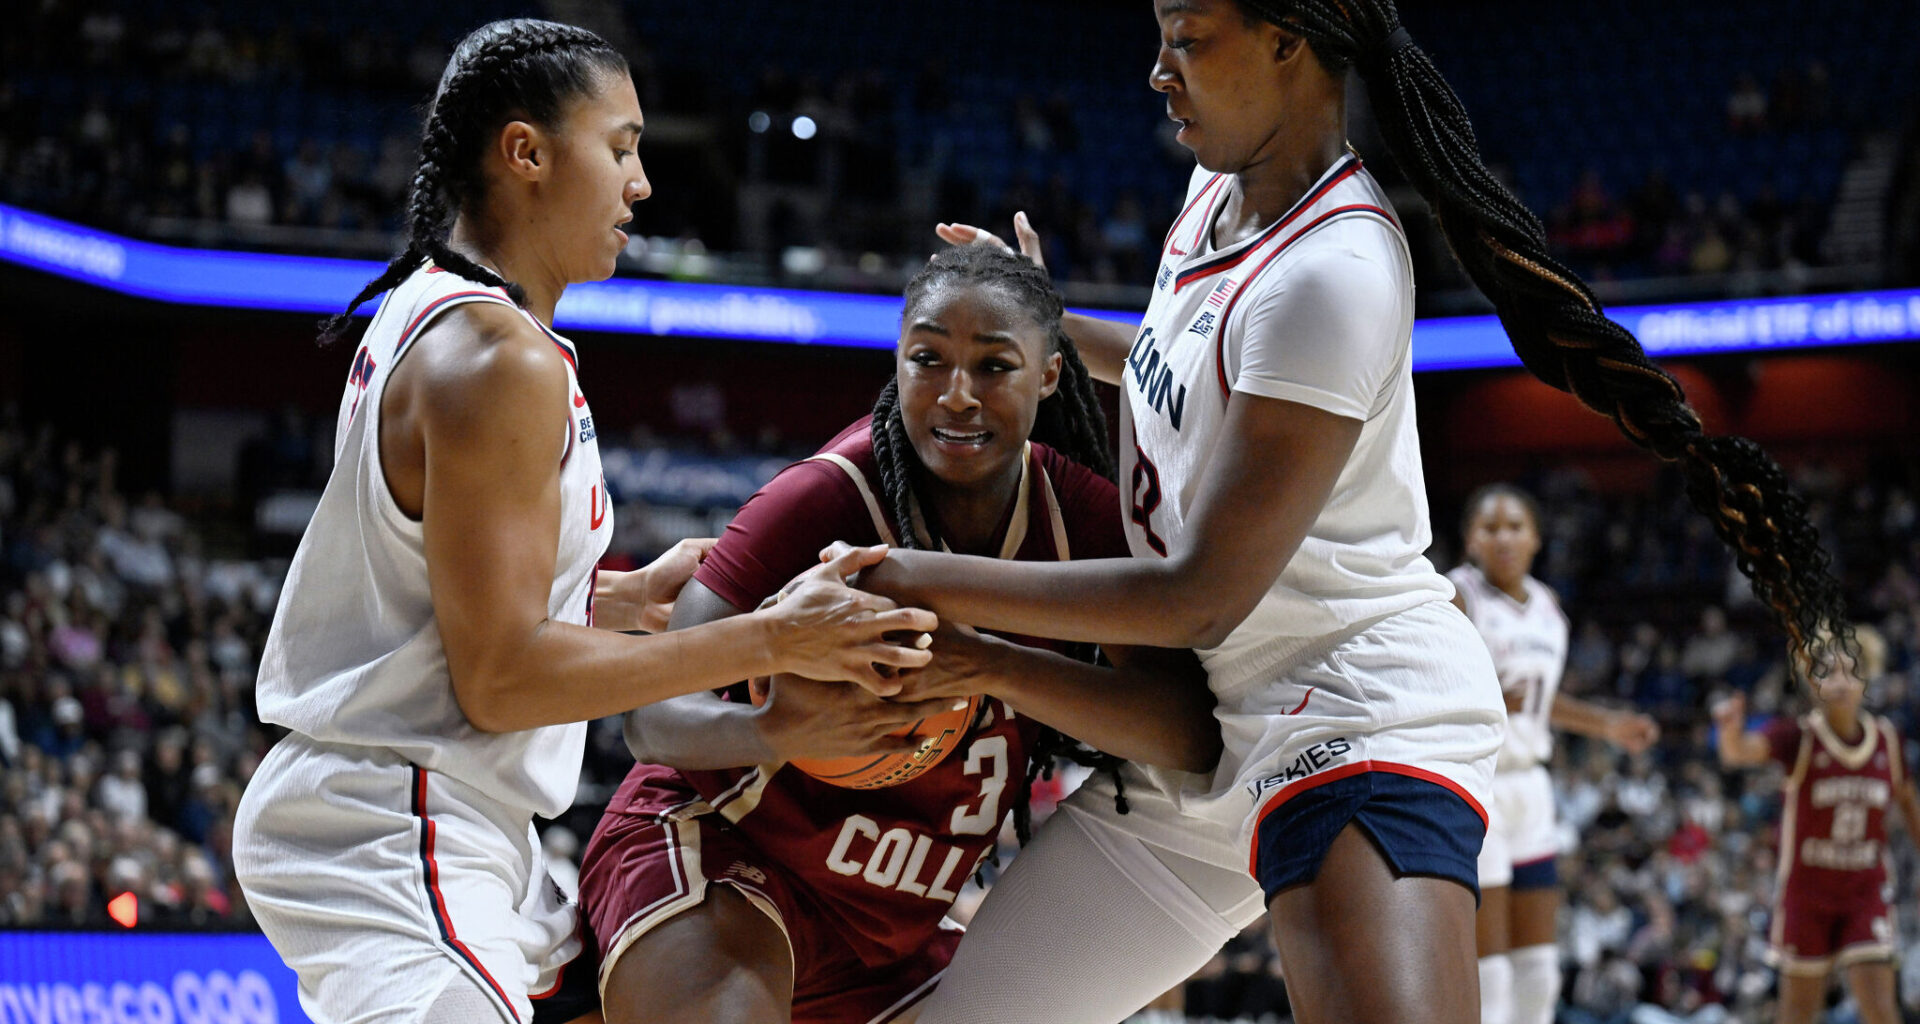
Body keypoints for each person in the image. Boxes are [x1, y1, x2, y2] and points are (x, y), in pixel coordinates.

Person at [863, 2, 1848, 1022]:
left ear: (1289, 38)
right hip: (1208, 731)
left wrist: (913, 582)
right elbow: (1176, 366)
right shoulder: (1214, 193)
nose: (1158, 71)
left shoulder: (1330, 274)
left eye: (1188, 37)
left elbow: (1197, 597)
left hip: (1347, 708)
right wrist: (1044, 324)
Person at [230, 20, 936, 1024]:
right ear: (526, 153)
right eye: (620, 146)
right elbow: (502, 675)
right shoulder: (496, 359)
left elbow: (441, 599)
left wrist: (619, 599)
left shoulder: (443, 310)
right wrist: (777, 636)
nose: (641, 183)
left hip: (446, 818)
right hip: (400, 820)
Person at [573, 244, 1220, 1024]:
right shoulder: (822, 499)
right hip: (727, 850)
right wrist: (775, 723)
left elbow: (1189, 734)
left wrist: (991, 666)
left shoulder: (1079, 516)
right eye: (928, 360)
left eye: (993, 367)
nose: (957, 396)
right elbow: (651, 717)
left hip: (885, 935)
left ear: (1049, 375)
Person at [1447, 484, 1659, 1024]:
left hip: (1531, 787)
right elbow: (1428, 685)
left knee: (1539, 970)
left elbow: (1540, 703)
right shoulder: (1456, 595)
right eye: (1490, 527)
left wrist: (1608, 725)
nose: (1503, 537)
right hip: (1478, 782)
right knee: (1490, 973)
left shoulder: (1547, 606)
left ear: (1536, 537)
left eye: (1515, 526)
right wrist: (1487, 698)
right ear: (1470, 539)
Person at [1713, 626, 1920, 1024]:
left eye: (1850, 670)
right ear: (1812, 682)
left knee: (1881, 1010)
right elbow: (1741, 752)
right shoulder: (1799, 737)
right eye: (1828, 671)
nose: (1839, 680)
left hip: (1865, 891)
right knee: (1797, 1016)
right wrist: (1729, 733)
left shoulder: (1888, 742)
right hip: (1808, 897)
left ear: (1867, 677)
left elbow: (1909, 803)